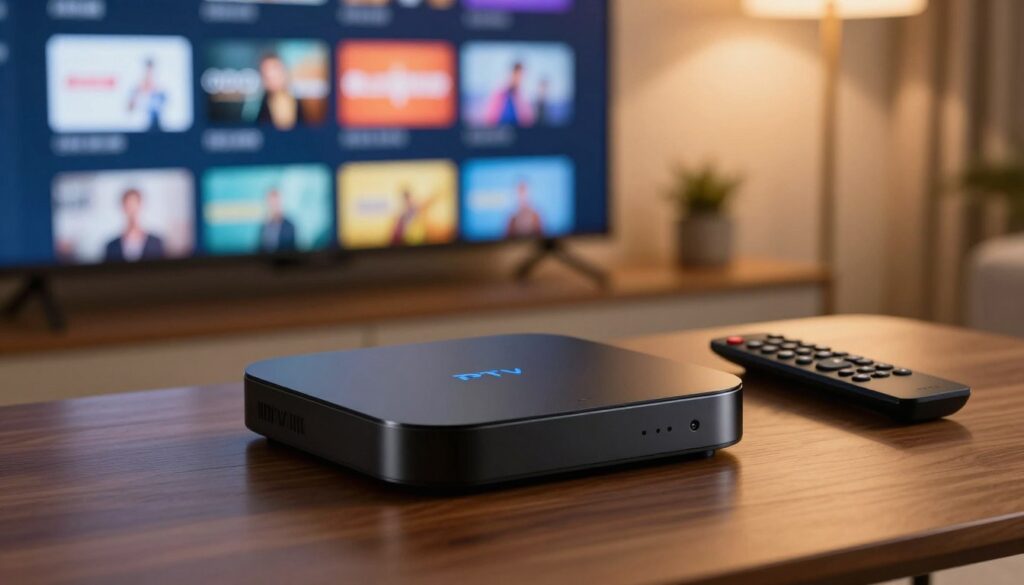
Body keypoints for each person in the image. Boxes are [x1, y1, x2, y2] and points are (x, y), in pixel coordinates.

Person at [104, 189, 166, 262]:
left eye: (135, 205)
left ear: (141, 207)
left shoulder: (156, 243)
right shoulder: (111, 246)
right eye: (129, 206)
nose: (132, 211)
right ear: (123, 208)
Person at [256, 53, 303, 131]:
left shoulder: (299, 103)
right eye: (266, 73)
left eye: (274, 69)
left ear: (284, 72)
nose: (271, 75)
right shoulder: (258, 108)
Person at [483, 61, 534, 127]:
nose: (519, 79)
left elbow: (529, 121)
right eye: (517, 75)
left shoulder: (523, 99)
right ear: (512, 74)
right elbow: (489, 118)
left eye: (521, 76)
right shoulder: (499, 95)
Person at [127, 58, 168, 131]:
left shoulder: (160, 88)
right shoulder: (137, 88)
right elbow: (130, 107)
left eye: (150, 69)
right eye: (147, 69)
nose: (149, 72)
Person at [258, 188, 297, 253]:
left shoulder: (289, 226)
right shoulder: (264, 227)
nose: (274, 206)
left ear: (280, 203)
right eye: (271, 203)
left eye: (276, 202)